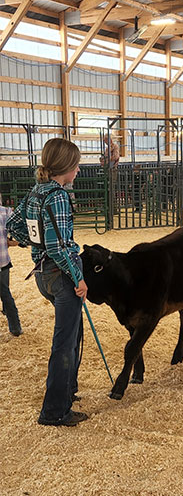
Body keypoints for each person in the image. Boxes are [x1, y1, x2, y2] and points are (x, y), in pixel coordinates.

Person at [7, 138, 88, 427]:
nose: (78, 170)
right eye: (76, 165)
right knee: (64, 344)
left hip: (42, 274)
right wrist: (78, 278)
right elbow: (58, 247)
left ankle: (67, 391)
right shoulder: (59, 196)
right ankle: (54, 411)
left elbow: (13, 225)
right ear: (66, 167)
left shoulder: (36, 192)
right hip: (61, 274)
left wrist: (33, 241)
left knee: (72, 335)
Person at [0, 193, 22, 336]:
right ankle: (15, 328)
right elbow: (17, 231)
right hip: (2, 261)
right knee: (6, 293)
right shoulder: (5, 212)